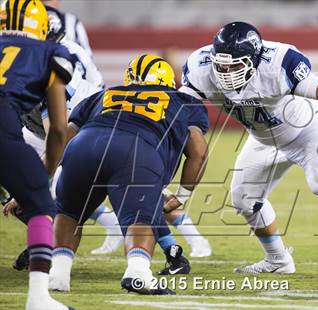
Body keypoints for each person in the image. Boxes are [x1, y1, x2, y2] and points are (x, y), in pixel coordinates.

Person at [180, 21, 318, 273]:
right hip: (263, 139)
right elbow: (180, 109)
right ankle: (278, 260)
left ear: (254, 60)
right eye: (221, 65)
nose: (226, 72)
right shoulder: (199, 68)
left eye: (235, 65)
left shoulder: (278, 63)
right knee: (244, 200)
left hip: (309, 129)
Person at [51, 54, 209, 294]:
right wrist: (183, 195)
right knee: (140, 218)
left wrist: (41, 180)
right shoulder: (182, 101)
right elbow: (198, 151)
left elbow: (65, 137)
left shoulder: (101, 95)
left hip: (83, 145)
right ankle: (138, 273)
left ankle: (58, 276)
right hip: (136, 149)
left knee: (69, 212)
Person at [2, 5, 122, 273]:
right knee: (18, 190)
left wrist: (39, 177)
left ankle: (52, 251)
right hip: (40, 129)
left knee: (56, 194)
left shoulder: (51, 60)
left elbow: (60, 131)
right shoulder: (40, 56)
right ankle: (46, 243)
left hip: (85, 129)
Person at [0, 0, 74, 309]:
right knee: (42, 206)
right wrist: (45, 170)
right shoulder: (49, 53)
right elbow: (58, 127)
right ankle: (38, 298)